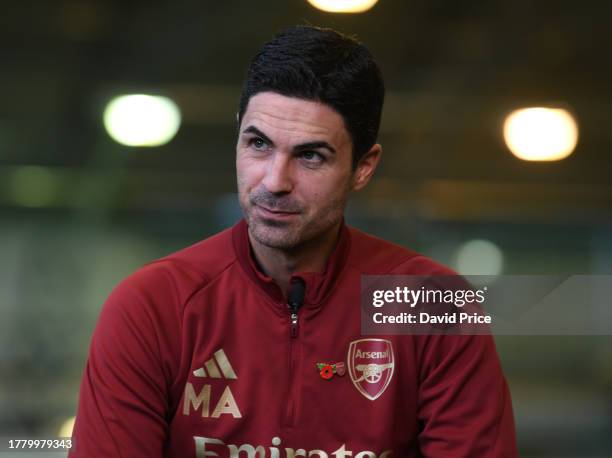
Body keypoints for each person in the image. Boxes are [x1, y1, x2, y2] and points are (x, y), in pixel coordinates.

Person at [70, 25, 517, 457]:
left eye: (310, 155)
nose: (275, 180)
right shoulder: (154, 305)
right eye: (258, 144)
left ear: (364, 166)